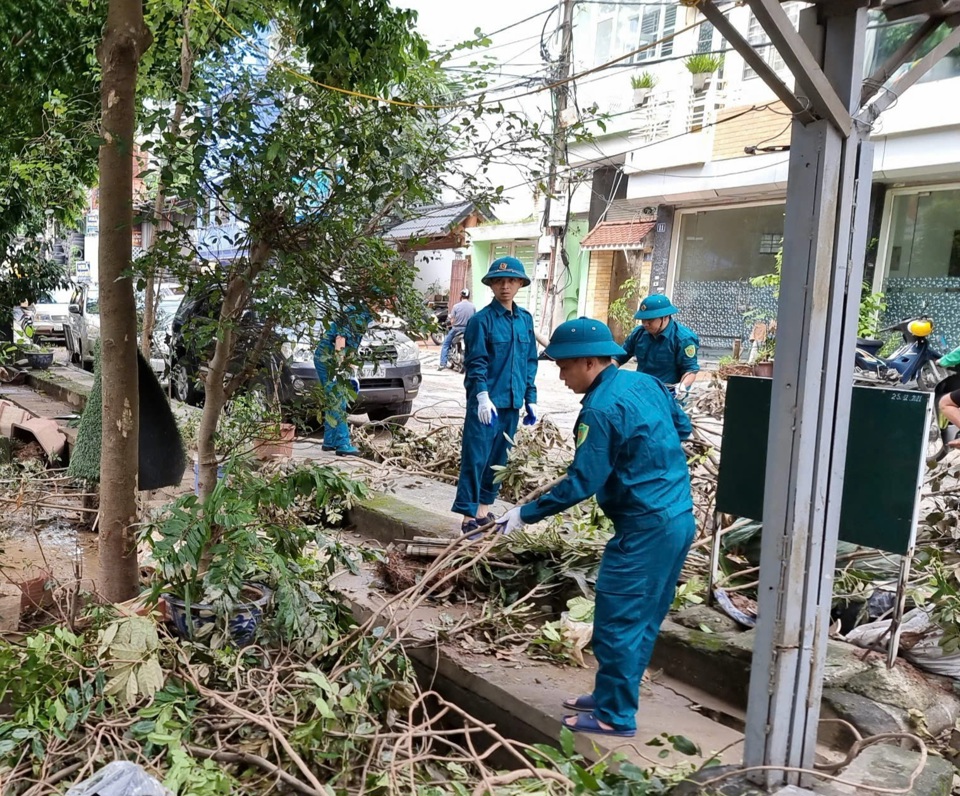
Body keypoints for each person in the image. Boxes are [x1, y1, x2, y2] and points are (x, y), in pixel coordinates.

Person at [495, 317, 694, 738]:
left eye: (564, 368)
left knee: (617, 619)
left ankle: (614, 716)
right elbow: (683, 429)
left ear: (588, 362)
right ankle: (612, 695)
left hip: (645, 528)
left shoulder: (600, 410)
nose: (561, 377)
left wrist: (524, 515)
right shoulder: (646, 384)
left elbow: (582, 482)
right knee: (642, 617)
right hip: (677, 518)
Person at [453, 257, 538, 535]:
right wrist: (481, 395)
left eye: (511, 281)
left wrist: (530, 397)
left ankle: (483, 511)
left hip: (512, 403)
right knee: (476, 457)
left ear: (519, 284)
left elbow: (529, 361)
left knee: (500, 459)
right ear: (490, 284)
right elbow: (476, 362)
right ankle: (468, 517)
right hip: (486, 405)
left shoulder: (524, 320)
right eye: (499, 281)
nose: (505, 286)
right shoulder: (481, 321)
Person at [615, 293, 699, 402]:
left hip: (668, 395)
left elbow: (690, 370)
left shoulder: (683, 339)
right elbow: (619, 357)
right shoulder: (639, 333)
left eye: (650, 320)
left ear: (665, 317)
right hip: (641, 391)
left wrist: (682, 386)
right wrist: (606, 373)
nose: (645, 324)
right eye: (643, 320)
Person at [314, 303, 371, 457]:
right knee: (338, 398)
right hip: (328, 357)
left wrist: (352, 370)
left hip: (334, 357)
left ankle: (330, 441)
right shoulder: (357, 313)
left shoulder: (365, 314)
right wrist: (341, 368)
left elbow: (352, 344)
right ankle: (343, 443)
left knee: (336, 397)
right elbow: (340, 340)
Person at [439, 288, 476, 371]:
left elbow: (452, 320)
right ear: (468, 296)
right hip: (468, 330)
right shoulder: (473, 307)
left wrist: (449, 323)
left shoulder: (456, 306)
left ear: (461, 296)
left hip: (457, 329)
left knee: (445, 344)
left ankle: (442, 363)